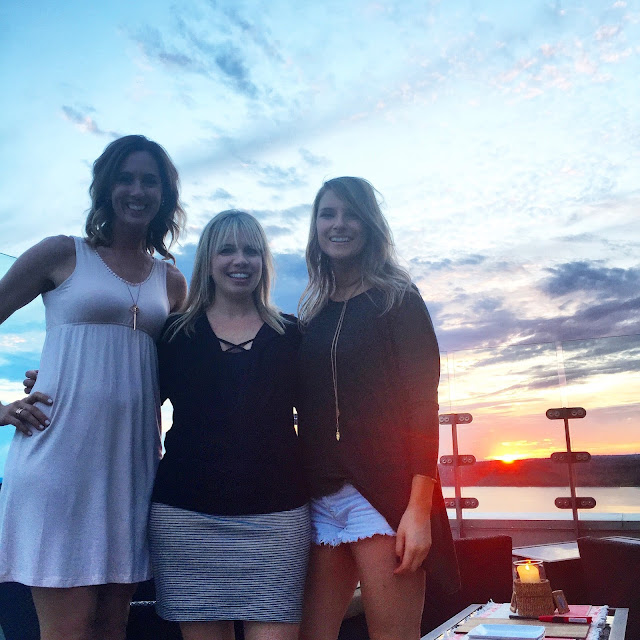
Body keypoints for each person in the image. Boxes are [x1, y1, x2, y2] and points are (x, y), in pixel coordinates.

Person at [0, 135, 187, 640]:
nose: (137, 191)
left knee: (111, 629)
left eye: (150, 181)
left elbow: (178, 376)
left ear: (164, 195)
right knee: (67, 631)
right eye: (125, 178)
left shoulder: (172, 283)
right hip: (58, 462)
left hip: (131, 469)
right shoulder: (62, 254)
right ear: (105, 187)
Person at [296, 177, 459, 640]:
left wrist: (418, 512)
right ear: (315, 226)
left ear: (370, 225)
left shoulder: (397, 298)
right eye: (328, 214)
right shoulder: (312, 312)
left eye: (351, 214)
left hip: (384, 497)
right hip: (321, 496)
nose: (339, 224)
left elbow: (423, 406)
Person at [148, 210, 310, 640]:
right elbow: (128, 403)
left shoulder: (292, 335)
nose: (240, 260)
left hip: (278, 519)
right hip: (186, 517)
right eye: (227, 250)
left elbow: (323, 417)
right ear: (208, 260)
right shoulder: (173, 335)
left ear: (264, 261)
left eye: (251, 251)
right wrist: (49, 382)